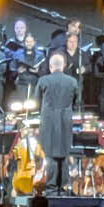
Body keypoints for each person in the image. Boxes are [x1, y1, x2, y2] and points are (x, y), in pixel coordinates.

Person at [36, 53, 81, 195]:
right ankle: (64, 187)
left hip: (48, 122)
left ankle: (51, 188)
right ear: (64, 66)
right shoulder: (72, 81)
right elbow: (77, 103)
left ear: (50, 66)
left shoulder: (43, 80)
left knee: (50, 154)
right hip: (65, 121)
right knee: (65, 153)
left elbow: (36, 102)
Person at [8, 33, 42, 102]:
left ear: (34, 42)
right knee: (20, 105)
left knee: (34, 105)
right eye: (27, 41)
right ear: (24, 43)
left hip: (35, 84)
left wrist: (38, 71)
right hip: (21, 84)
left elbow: (45, 71)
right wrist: (17, 71)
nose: (29, 44)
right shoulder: (17, 54)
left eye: (31, 41)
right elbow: (11, 70)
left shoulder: (40, 55)